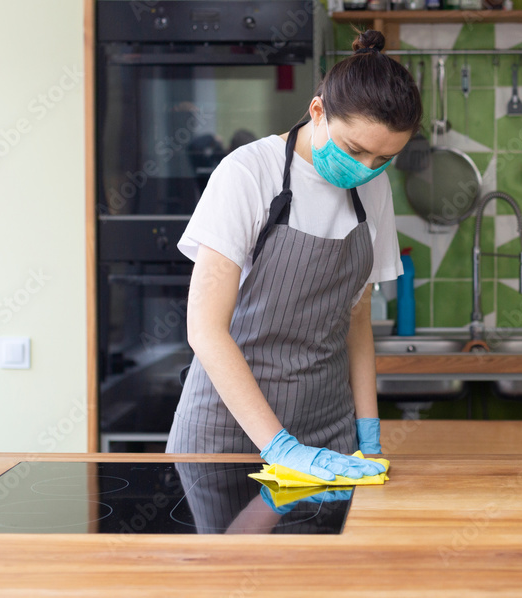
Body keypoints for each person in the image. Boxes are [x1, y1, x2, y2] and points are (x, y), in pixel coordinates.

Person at [165, 30, 421, 482]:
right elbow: (205, 330)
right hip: (228, 434)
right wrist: (281, 448)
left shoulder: (373, 186)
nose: (366, 169)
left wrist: (368, 433)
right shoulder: (248, 173)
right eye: (355, 150)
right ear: (318, 111)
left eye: (383, 159)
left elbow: (357, 318)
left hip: (329, 434)